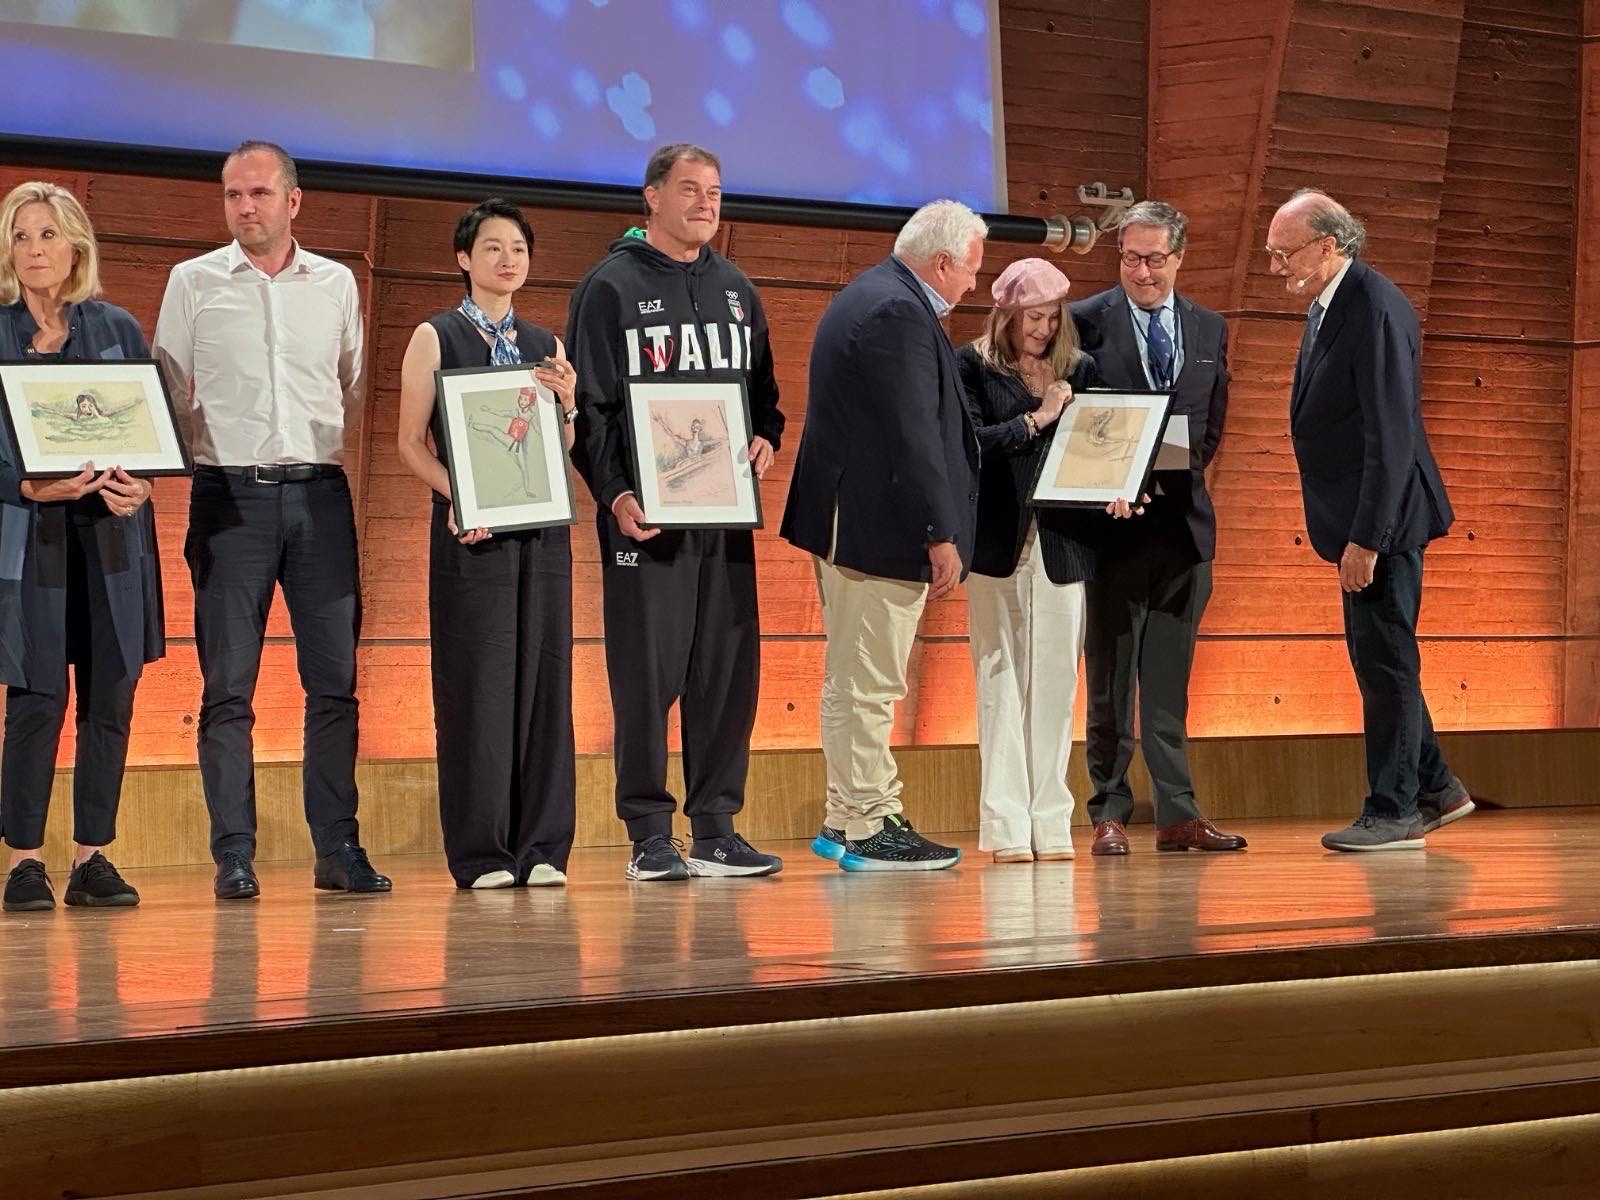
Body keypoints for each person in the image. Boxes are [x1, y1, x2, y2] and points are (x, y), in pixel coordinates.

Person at [154, 139, 390, 899]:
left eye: (258, 193)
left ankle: (337, 849)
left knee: (335, 684)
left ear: (293, 201)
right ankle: (234, 855)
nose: (244, 207)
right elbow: (167, 389)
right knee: (228, 687)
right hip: (229, 497)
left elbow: (351, 385)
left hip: (320, 494)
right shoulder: (191, 282)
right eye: (232, 195)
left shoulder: (336, 284)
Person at [566, 143, 785, 881]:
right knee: (645, 677)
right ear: (651, 198)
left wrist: (764, 443)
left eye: (716, 191)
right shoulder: (610, 288)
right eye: (689, 189)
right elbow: (589, 410)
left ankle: (718, 827)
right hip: (644, 523)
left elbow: (766, 402)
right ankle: (649, 834)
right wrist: (617, 495)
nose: (705, 203)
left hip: (722, 520)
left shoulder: (736, 289)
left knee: (726, 671)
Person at [781, 199, 987, 871]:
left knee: (850, 678)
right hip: (877, 525)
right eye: (971, 271)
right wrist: (940, 529)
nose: (973, 286)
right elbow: (913, 430)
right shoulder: (899, 311)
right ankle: (871, 823)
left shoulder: (873, 294)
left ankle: (846, 817)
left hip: (850, 521)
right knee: (869, 683)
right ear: (943, 261)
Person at [1266, 189, 1470, 851]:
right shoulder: (1333, 301)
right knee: (1382, 658)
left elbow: (1392, 435)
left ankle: (1394, 809)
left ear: (1330, 244)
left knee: (1385, 664)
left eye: (1284, 253)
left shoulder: (1375, 307)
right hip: (1360, 517)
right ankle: (1436, 787)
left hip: (1384, 522)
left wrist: (1367, 539)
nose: (1275, 267)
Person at [396, 198, 579, 890]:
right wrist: (458, 496)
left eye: (519, 250)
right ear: (464, 260)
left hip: (541, 534)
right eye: (493, 248)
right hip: (470, 533)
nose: (508, 260)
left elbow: (561, 448)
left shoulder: (545, 343)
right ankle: (481, 853)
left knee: (544, 681)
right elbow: (409, 444)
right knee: (479, 686)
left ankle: (541, 847)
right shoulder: (435, 336)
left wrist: (566, 405)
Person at [0, 181, 162, 912]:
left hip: (110, 538)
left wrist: (142, 488)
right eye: (21, 236)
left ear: (77, 247)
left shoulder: (117, 328)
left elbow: (147, 434)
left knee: (111, 695)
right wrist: (31, 490)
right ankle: (23, 862)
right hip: (29, 535)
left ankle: (92, 857)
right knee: (37, 698)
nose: (35, 250)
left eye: (47, 235)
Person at [1070, 201, 1246, 857]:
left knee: (1169, 688)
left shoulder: (1208, 327)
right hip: (1112, 535)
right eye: (1129, 258)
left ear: (1178, 257)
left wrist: (1176, 472)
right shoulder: (1084, 323)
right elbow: (1075, 426)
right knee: (1110, 684)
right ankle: (1108, 813)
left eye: (1153, 259)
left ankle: (1178, 815)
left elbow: (1214, 424)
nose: (1140, 271)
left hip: (1185, 533)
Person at [957, 258, 1101, 863]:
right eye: (1032, 317)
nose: (1044, 328)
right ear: (1007, 316)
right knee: (999, 683)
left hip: (1063, 544)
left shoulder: (1079, 367)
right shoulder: (972, 364)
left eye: (1051, 317)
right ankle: (1007, 824)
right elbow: (971, 444)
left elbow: (1100, 442)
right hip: (997, 542)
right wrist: (1036, 418)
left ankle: (1052, 820)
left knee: (1055, 685)